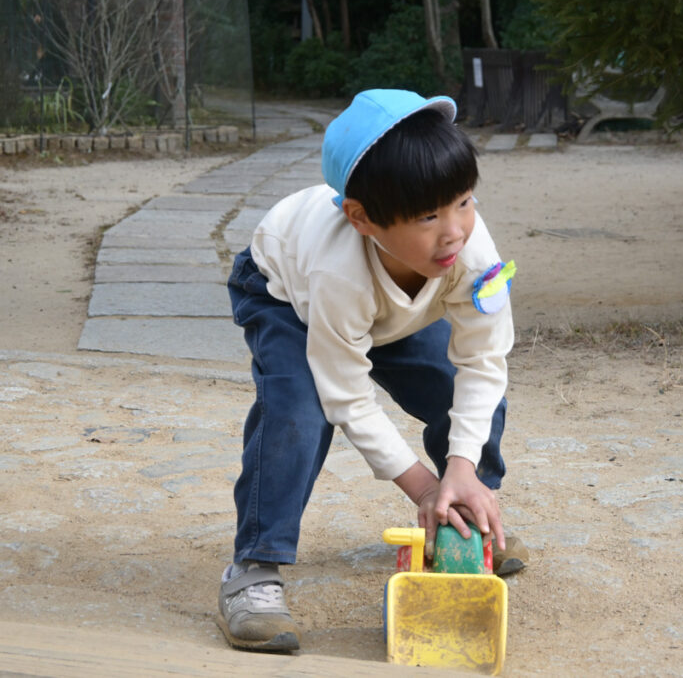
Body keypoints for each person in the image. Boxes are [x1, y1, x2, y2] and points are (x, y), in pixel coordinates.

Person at [217, 88, 526, 653]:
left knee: (455, 387)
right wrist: (423, 487)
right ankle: (253, 567)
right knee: (298, 410)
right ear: (362, 218)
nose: (454, 230)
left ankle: (470, 516)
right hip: (288, 296)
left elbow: (483, 361)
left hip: (391, 313)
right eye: (429, 215)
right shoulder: (337, 272)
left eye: (463, 201)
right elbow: (347, 394)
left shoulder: (468, 249)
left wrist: (460, 470)